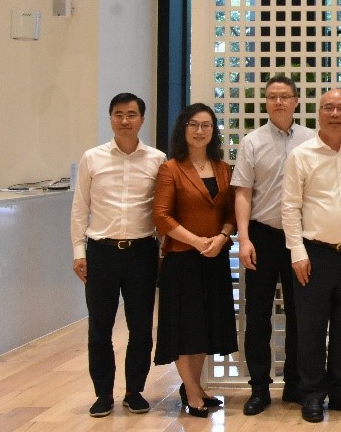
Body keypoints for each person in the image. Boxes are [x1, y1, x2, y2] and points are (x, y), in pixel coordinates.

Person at [70, 93, 166, 417]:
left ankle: (134, 391)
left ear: (142, 119)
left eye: (132, 114)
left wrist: (164, 250)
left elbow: (162, 209)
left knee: (141, 327)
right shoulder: (92, 158)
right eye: (119, 114)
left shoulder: (157, 159)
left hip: (142, 252)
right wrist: (78, 251)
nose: (125, 120)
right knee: (100, 327)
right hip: (101, 252)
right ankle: (103, 394)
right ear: (110, 118)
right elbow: (80, 208)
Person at [282, 88, 341, 423]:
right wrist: (297, 252)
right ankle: (311, 394)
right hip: (313, 255)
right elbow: (290, 207)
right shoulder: (301, 155)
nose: (335, 114)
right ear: (318, 112)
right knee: (311, 329)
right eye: (329, 107)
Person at [232, 75, 315, 414]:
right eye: (272, 97)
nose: (278, 102)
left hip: (300, 239)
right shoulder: (252, 142)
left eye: (284, 96)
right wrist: (244, 239)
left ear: (296, 101)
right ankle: (259, 387)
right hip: (262, 237)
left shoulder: (311, 140)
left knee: (300, 315)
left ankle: (295, 385)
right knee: (257, 316)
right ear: (265, 102)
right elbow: (243, 193)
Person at [153, 103, 237, 418]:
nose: (200, 131)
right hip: (182, 259)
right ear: (183, 129)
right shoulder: (171, 168)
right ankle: (190, 390)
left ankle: (196, 386)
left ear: (213, 131)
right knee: (183, 327)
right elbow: (161, 216)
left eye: (206, 125)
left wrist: (222, 237)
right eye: (193, 125)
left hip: (214, 258)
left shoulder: (223, 168)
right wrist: (197, 241)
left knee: (204, 327)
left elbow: (230, 213)